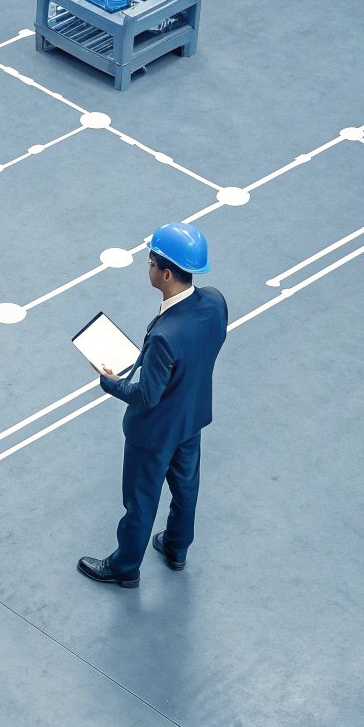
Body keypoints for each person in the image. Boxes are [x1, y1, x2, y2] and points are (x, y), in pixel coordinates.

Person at [79, 222, 228, 587]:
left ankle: (125, 567)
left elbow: (147, 394)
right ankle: (176, 548)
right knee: (186, 488)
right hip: (191, 419)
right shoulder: (215, 302)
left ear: (165, 273)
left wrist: (111, 383)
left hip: (154, 433)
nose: (146, 267)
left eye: (149, 262)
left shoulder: (165, 336)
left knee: (141, 503)